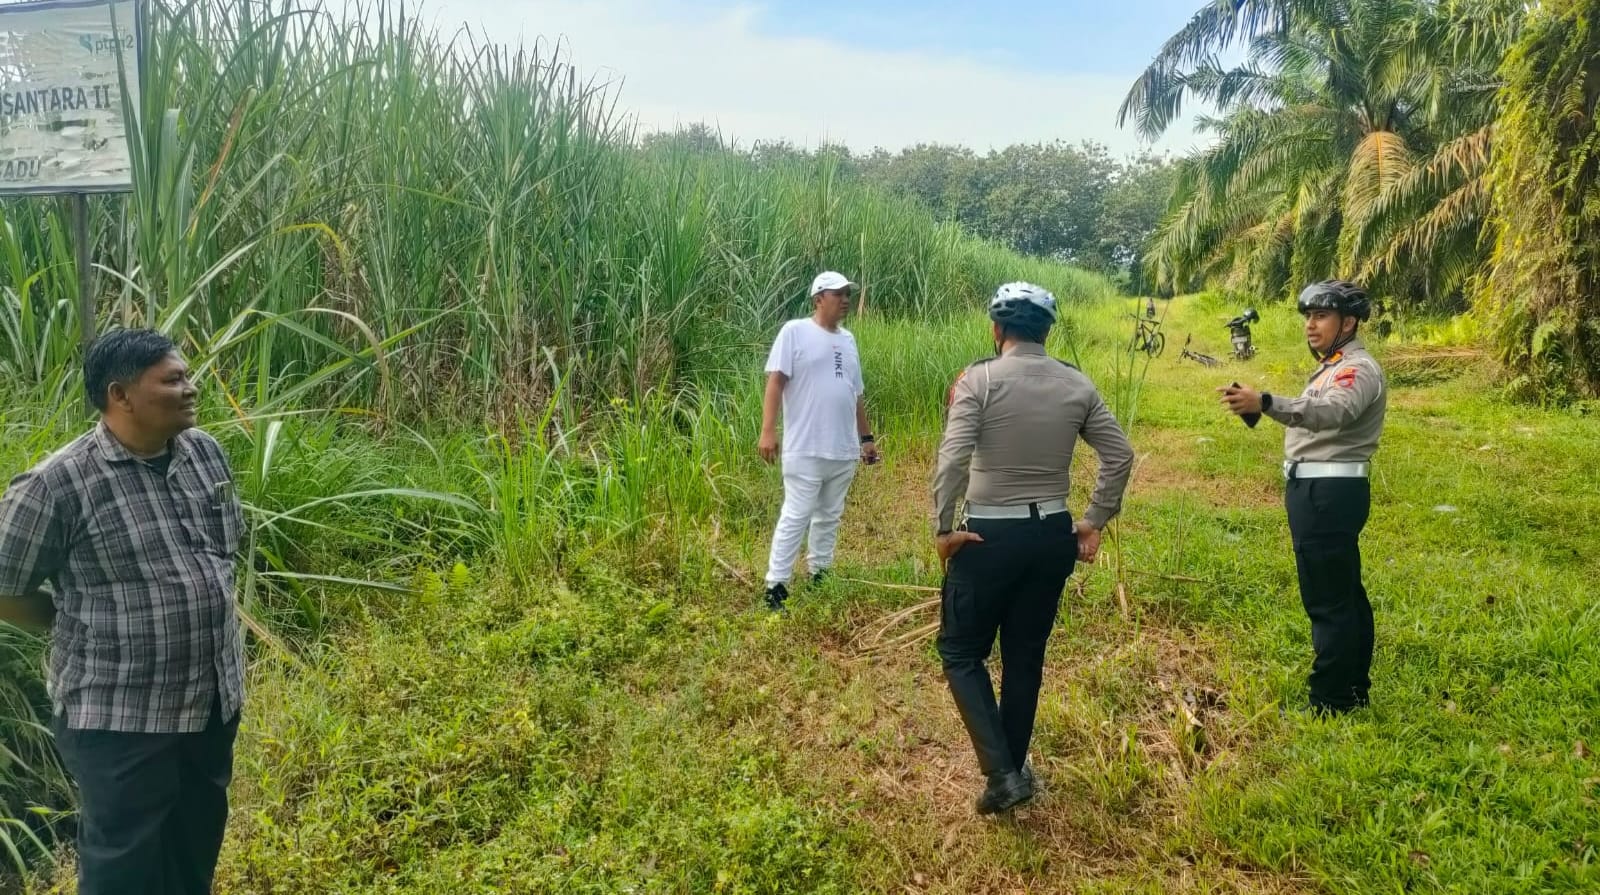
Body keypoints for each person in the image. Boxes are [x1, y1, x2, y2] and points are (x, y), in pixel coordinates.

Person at [0, 328, 246, 895]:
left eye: (186, 375)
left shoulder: (204, 453)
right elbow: (4, 585)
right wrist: (66, 622)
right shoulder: (57, 484)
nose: (192, 387)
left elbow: (221, 551)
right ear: (121, 395)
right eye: (173, 380)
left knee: (194, 845)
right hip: (120, 716)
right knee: (124, 866)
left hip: (208, 700)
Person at [931, 282, 1135, 814]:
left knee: (960, 651)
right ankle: (1014, 769)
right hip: (1052, 537)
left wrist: (942, 527)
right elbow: (1120, 455)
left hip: (988, 536)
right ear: (1048, 331)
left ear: (997, 330)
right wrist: (1092, 522)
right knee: (1025, 656)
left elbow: (953, 461)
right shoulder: (1077, 384)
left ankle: (1001, 774)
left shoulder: (979, 379)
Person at [1219, 279, 1387, 716]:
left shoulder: (1357, 368)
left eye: (1321, 316)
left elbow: (1335, 413)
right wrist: (1259, 409)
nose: (1311, 326)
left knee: (1328, 599)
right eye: (1308, 317)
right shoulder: (1331, 366)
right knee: (1344, 592)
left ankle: (1330, 701)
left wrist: (1268, 401)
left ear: (1348, 322)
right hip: (1319, 489)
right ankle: (1351, 688)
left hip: (1327, 492)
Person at [757, 271, 879, 610]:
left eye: (847, 294)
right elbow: (775, 382)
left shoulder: (849, 340)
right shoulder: (794, 332)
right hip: (806, 447)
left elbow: (855, 394)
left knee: (830, 515)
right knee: (796, 514)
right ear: (818, 298)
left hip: (842, 449)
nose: (845, 300)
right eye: (838, 294)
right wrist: (768, 430)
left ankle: (820, 573)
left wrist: (866, 438)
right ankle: (776, 586)